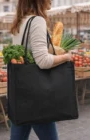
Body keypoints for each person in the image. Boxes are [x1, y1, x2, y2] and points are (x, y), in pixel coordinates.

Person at [10, 0, 71, 139]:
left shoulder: (20, 21)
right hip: (37, 96)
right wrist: (66, 57)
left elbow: (27, 53)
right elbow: (43, 61)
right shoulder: (37, 21)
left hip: (21, 93)